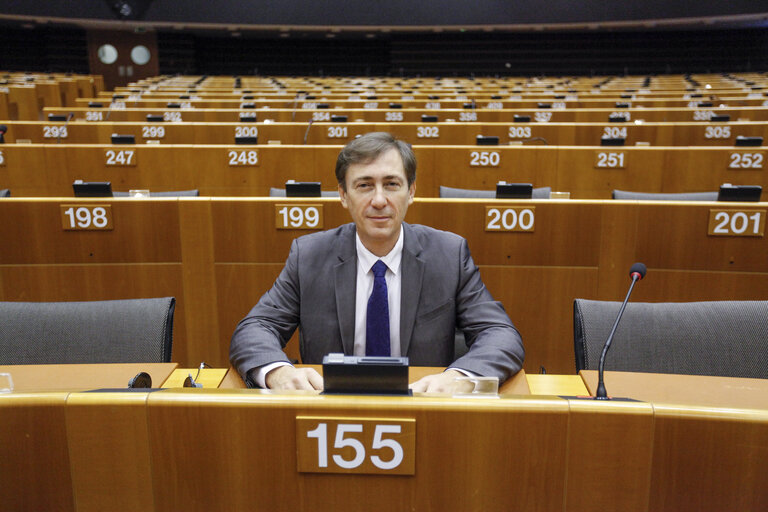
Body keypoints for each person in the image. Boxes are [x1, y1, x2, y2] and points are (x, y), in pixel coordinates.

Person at [230, 132, 524, 392]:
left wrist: (459, 376)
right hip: (329, 411)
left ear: (411, 192)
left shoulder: (448, 254)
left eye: (392, 184)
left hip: (426, 410)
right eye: (365, 186)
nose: (380, 200)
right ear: (343, 195)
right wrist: (277, 371)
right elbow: (255, 328)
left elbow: (500, 335)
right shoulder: (309, 256)